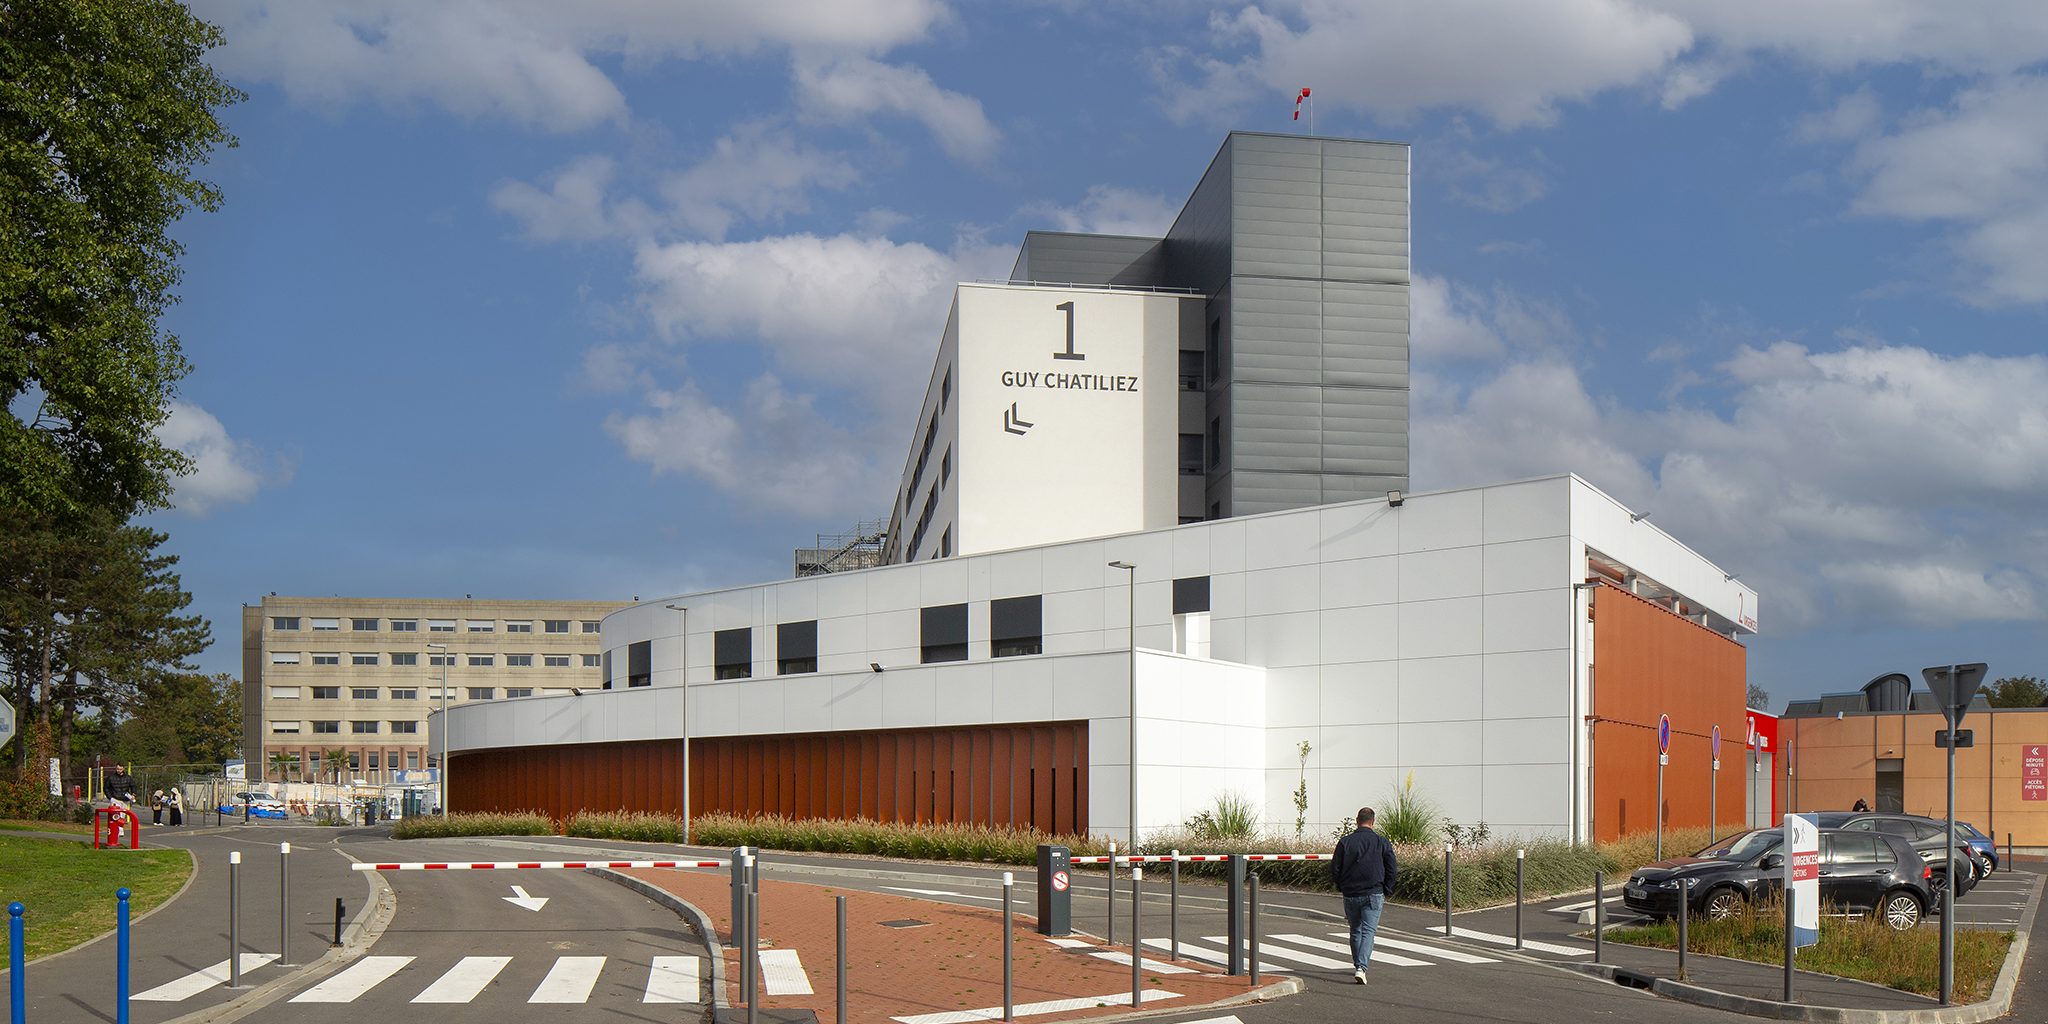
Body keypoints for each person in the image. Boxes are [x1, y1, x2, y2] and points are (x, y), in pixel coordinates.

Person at [1330, 806, 1399, 985]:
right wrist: (1387, 888)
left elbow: (1335, 868)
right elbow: (1392, 867)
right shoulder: (1381, 842)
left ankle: (1357, 965)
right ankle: (1361, 967)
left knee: (1355, 930)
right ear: (1373, 822)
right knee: (1369, 931)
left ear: (1357, 820)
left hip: (1351, 893)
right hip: (1373, 892)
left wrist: (1340, 886)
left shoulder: (1345, 842)